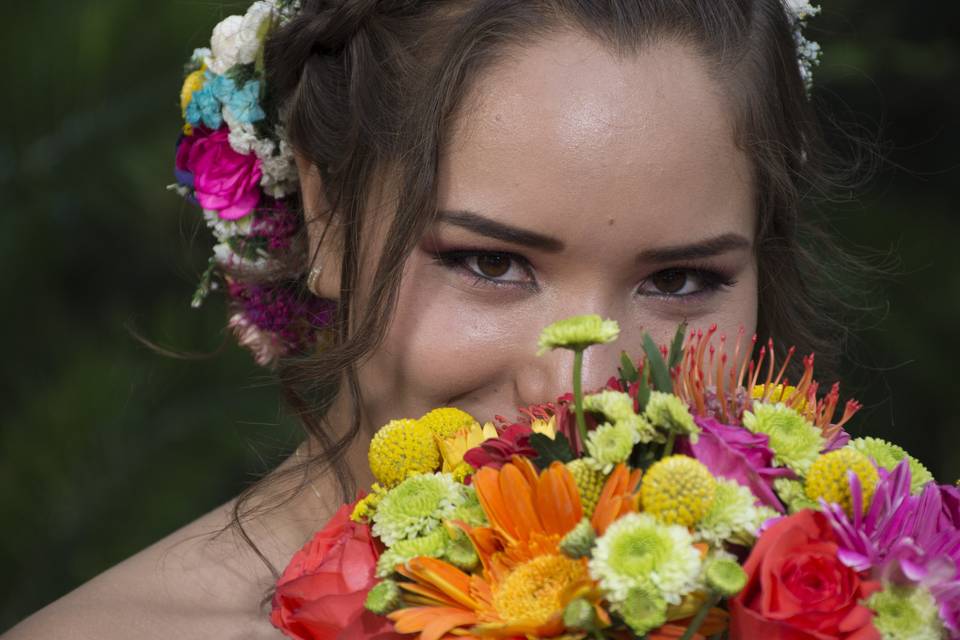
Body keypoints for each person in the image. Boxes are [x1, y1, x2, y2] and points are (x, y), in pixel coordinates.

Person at [4, 0, 866, 638]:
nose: (588, 386)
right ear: (325, 214)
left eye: (680, 280)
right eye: (490, 264)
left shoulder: (839, 599)